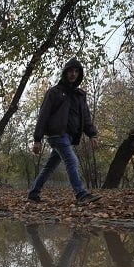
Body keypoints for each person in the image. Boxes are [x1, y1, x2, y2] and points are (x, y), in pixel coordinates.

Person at [28, 58, 101, 205]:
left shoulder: (80, 95)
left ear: (79, 74)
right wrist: (37, 139)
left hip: (69, 136)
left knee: (50, 166)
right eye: (70, 71)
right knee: (72, 161)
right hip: (57, 134)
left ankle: (33, 193)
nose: (73, 74)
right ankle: (81, 194)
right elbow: (43, 115)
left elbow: (85, 117)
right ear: (65, 73)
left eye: (76, 71)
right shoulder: (54, 92)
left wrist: (92, 134)